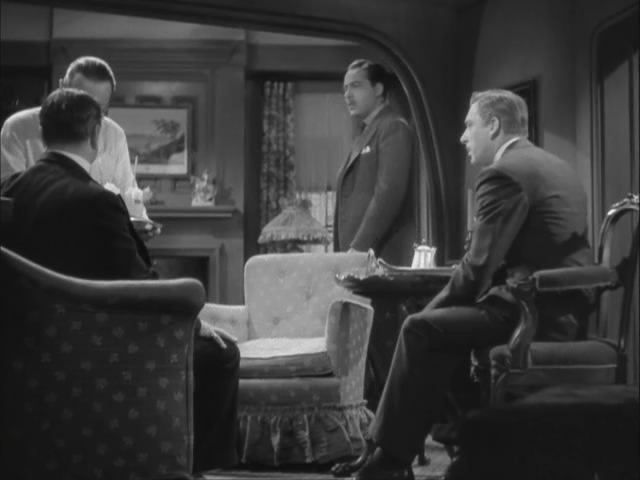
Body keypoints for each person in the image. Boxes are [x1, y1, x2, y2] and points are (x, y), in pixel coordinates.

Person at [332, 89, 594, 480]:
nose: (462, 136)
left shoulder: (504, 174)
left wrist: (431, 308)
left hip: (533, 313)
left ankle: (388, 460)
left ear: (494, 126)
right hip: (563, 307)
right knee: (437, 331)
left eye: (470, 125)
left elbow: (476, 270)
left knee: (419, 328)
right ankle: (457, 446)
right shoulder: (555, 165)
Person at [0, 88, 239, 473]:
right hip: (99, 344)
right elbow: (142, 286)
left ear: (43, 135)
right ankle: (198, 467)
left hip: (23, 349)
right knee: (221, 355)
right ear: (95, 134)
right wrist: (192, 321)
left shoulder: (7, 193)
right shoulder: (97, 201)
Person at [1, 55, 150, 221]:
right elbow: (9, 197)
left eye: (98, 110)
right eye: (79, 105)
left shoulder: (113, 134)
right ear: (61, 87)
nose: (86, 118)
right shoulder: (19, 127)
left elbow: (128, 197)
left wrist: (141, 222)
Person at [334, 59, 416, 266]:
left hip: (379, 255)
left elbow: (388, 192)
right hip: (357, 256)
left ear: (378, 89)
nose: (347, 95)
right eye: (345, 88)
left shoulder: (393, 127)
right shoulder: (363, 133)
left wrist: (361, 246)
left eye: (356, 86)